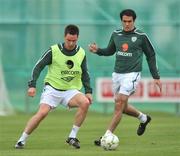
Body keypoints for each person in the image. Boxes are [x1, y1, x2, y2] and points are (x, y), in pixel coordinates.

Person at [88, 9, 162, 146]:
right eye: (124, 21)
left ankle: (106, 136)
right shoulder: (116, 34)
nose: (127, 24)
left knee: (119, 103)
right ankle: (144, 118)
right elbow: (110, 51)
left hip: (132, 74)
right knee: (123, 106)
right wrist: (98, 50)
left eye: (129, 21)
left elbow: (151, 55)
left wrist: (155, 76)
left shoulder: (141, 36)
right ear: (121, 21)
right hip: (117, 74)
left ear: (134, 21)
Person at [15, 24, 93, 149]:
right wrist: (32, 85)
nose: (71, 43)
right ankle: (21, 140)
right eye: (69, 40)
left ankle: (72, 137)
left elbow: (85, 73)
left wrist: (88, 91)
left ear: (77, 38)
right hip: (52, 89)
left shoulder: (81, 53)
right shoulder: (54, 50)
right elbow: (38, 66)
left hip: (71, 91)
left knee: (85, 102)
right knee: (42, 113)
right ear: (64, 37)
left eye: (74, 40)